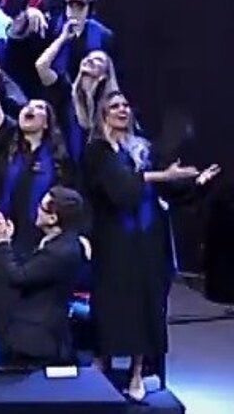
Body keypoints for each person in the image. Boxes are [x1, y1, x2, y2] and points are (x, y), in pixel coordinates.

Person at [83, 92, 217, 401]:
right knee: (111, 304)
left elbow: (167, 189)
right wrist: (160, 176)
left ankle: (136, 372)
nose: (122, 110)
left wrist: (194, 183)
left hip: (148, 239)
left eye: (125, 105)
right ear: (103, 114)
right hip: (114, 240)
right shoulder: (98, 151)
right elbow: (120, 190)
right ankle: (102, 366)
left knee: (147, 304)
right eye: (114, 106)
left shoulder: (143, 148)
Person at [0, 186, 87, 369]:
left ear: (53, 219)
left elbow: (18, 276)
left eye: (42, 207)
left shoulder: (61, 251)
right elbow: (29, 269)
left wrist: (0, 242)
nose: (37, 209)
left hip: (38, 341)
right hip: (29, 333)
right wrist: (7, 239)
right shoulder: (53, 241)